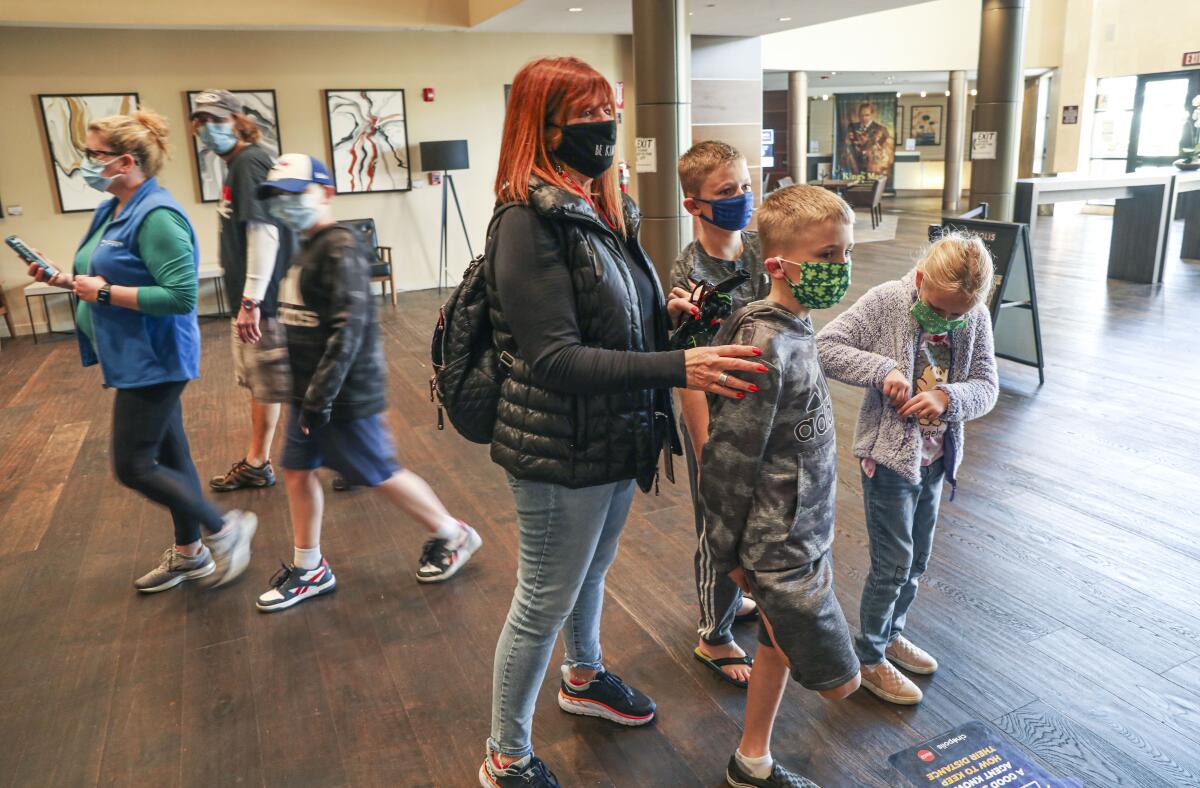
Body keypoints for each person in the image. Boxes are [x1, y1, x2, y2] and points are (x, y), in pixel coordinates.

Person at [480, 57, 765, 788]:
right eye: (588, 116)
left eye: (611, 110)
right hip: (557, 442)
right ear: (542, 127)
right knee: (543, 596)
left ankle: (583, 676)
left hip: (612, 433)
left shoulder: (608, 208)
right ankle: (506, 755)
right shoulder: (525, 220)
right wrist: (681, 367)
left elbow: (608, 320)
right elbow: (555, 359)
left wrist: (659, 319)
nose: (606, 128)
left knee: (592, 571)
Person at [15, 109, 257, 592]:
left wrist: (102, 292)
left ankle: (227, 527)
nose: (86, 162)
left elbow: (180, 297)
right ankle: (191, 554)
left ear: (125, 160)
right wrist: (65, 279)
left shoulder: (158, 216)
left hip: (156, 357)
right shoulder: (113, 207)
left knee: (134, 464)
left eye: (93, 155)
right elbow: (106, 274)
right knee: (172, 452)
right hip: (130, 352)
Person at [252, 153, 483, 612]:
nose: (287, 203)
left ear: (326, 193)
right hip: (311, 393)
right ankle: (310, 566)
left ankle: (453, 533)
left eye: (296, 193)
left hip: (342, 395)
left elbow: (349, 330)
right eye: (279, 196)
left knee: (377, 472)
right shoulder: (305, 246)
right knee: (298, 472)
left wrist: (320, 398)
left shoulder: (340, 247)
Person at [700, 185, 862, 788]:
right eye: (825, 256)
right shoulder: (766, 343)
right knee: (842, 681)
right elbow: (725, 463)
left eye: (844, 253)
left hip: (805, 529)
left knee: (772, 642)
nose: (839, 267)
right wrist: (727, 556)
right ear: (777, 264)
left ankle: (752, 759)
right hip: (778, 549)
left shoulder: (796, 326)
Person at [817, 231, 998, 705]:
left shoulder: (973, 315)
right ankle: (871, 655)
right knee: (892, 564)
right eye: (938, 309)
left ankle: (893, 633)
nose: (947, 320)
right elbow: (824, 346)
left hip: (937, 459)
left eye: (957, 314)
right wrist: (883, 370)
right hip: (891, 460)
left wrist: (949, 397)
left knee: (917, 560)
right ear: (920, 280)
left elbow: (986, 385)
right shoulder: (887, 301)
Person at [668, 140, 772, 688]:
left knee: (757, 514)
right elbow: (689, 370)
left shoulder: (759, 249)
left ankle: (733, 599)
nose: (742, 198)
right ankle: (713, 634)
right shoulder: (690, 275)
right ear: (694, 205)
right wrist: (706, 445)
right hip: (717, 416)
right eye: (726, 192)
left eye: (745, 186)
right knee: (719, 523)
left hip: (763, 407)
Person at [192, 90, 297, 494]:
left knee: (273, 381)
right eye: (201, 121)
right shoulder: (235, 164)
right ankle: (260, 461)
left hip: (265, 301)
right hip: (256, 299)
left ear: (238, 120)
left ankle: (263, 462)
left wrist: (252, 301)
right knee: (267, 383)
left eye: (217, 119)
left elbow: (264, 232)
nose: (208, 128)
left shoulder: (249, 161)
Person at [839, 101, 893, 177]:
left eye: (867, 115)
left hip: (873, 167)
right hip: (854, 167)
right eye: (861, 115)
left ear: (872, 115)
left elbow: (884, 150)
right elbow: (846, 145)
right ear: (858, 115)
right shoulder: (851, 127)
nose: (863, 118)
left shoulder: (882, 129)